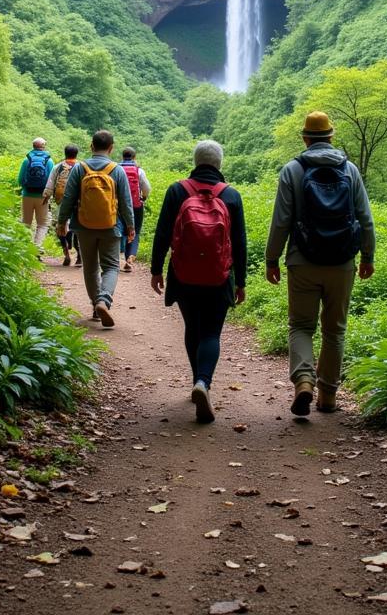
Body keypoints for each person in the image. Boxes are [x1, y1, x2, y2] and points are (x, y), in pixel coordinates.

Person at [265, 111, 375, 417]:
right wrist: (368, 256)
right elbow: (365, 219)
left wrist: (271, 259)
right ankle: (327, 395)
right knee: (334, 330)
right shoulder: (350, 170)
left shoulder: (292, 170)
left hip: (302, 260)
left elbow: (281, 221)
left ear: (305, 138)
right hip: (342, 262)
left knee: (301, 325)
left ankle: (303, 381)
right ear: (331, 137)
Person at [150, 140, 247, 424]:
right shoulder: (231, 195)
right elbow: (239, 244)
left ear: (195, 161)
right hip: (220, 276)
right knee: (211, 333)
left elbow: (163, 232)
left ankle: (197, 381)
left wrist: (156, 269)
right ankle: (203, 382)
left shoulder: (177, 190)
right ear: (219, 163)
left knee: (193, 328)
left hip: (184, 275)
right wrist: (240, 281)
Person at [57, 129, 134, 327]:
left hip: (83, 226)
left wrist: (61, 222)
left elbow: (68, 198)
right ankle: (104, 301)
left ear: (91, 146)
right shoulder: (117, 170)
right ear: (111, 148)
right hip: (111, 226)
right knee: (110, 266)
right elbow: (126, 202)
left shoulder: (79, 168)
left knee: (90, 267)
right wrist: (130, 226)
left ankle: (95, 305)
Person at [45, 144, 82, 266]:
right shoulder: (81, 167)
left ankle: (66, 254)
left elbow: (50, 183)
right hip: (79, 202)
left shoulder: (58, 167)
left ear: (65, 153)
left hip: (61, 201)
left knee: (61, 225)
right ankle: (79, 256)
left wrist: (46, 196)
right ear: (77, 154)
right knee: (78, 227)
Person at [17, 137, 54, 251]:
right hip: (42, 196)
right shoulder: (49, 161)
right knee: (42, 224)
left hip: (27, 195)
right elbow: (52, 181)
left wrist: (26, 189)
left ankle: (24, 249)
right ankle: (37, 249)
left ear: (33, 146)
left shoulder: (26, 160)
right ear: (43, 147)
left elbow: (20, 179)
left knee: (26, 222)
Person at [118, 146, 151, 271]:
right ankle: (130, 257)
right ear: (134, 157)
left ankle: (115, 257)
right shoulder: (139, 170)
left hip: (119, 206)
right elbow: (147, 188)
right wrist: (143, 197)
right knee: (135, 230)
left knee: (121, 229)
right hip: (136, 205)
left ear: (122, 156)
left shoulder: (116, 169)